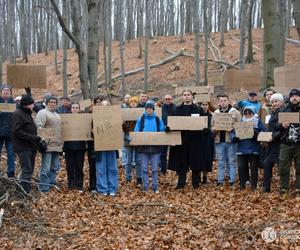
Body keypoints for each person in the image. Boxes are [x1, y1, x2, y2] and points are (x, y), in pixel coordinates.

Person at [168, 90, 207, 189]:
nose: (186, 97)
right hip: (181, 140)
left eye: (188, 95)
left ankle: (196, 184)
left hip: (195, 140)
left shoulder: (198, 109)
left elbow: (204, 123)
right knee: (182, 163)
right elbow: (171, 123)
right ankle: (181, 184)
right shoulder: (176, 109)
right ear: (182, 97)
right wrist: (168, 127)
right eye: (184, 95)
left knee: (195, 163)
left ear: (192, 97)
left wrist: (205, 128)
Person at [12, 95, 43, 193]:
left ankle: (25, 189)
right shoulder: (18, 114)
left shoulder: (27, 113)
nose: (34, 105)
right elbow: (17, 131)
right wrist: (33, 138)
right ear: (27, 105)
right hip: (23, 147)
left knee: (29, 170)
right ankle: (24, 191)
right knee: (27, 170)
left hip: (31, 146)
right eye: (32, 103)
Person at [134, 100, 165, 193]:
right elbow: (136, 132)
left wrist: (164, 130)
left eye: (151, 108)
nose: (149, 110)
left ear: (153, 110)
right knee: (144, 168)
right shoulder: (141, 119)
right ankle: (146, 186)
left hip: (155, 148)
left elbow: (162, 131)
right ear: (145, 109)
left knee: (155, 169)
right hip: (143, 148)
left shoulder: (157, 119)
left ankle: (155, 187)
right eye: (147, 108)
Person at [211, 94, 241, 187]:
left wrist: (232, 129)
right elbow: (211, 126)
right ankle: (220, 180)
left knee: (232, 161)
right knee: (220, 161)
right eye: (221, 101)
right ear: (219, 102)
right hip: (219, 140)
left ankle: (232, 180)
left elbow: (241, 126)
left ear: (228, 101)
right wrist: (214, 129)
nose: (223, 102)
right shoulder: (215, 113)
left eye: (225, 100)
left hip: (231, 140)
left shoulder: (235, 112)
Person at [275, 89, 300, 197]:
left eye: (297, 96)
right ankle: (284, 189)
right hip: (286, 144)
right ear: (289, 98)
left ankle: (298, 190)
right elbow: (274, 126)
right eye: (292, 96)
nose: (294, 97)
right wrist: (282, 126)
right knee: (283, 168)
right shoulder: (283, 109)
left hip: (299, 145)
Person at [35, 96, 62, 192]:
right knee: (46, 168)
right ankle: (44, 187)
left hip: (57, 145)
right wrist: (42, 141)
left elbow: (59, 130)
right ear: (46, 103)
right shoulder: (42, 113)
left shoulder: (57, 114)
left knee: (55, 166)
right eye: (50, 102)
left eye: (55, 102)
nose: (53, 103)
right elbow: (39, 127)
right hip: (47, 145)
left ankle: (51, 183)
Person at [235, 106, 265, 191]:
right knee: (241, 166)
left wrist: (256, 134)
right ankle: (242, 184)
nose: (247, 114)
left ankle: (254, 185)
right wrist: (235, 137)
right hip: (241, 148)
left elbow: (264, 131)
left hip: (253, 147)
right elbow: (234, 132)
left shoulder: (257, 121)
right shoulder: (240, 122)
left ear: (253, 113)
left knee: (253, 166)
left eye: (249, 113)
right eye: (246, 113)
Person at [261, 93, 285, 192]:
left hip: (281, 144)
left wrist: (273, 137)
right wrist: (264, 136)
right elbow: (270, 127)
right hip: (271, 145)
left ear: (282, 102)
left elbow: (283, 130)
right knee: (266, 164)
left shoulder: (284, 112)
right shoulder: (273, 113)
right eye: (272, 102)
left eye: (276, 101)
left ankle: (284, 187)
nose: (274, 103)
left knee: (282, 167)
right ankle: (266, 187)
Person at [94, 100, 119, 196]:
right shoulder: (95, 117)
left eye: (107, 105)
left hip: (111, 146)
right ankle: (103, 189)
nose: (105, 107)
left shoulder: (115, 117)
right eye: (103, 106)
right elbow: (92, 131)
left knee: (112, 168)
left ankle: (112, 188)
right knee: (101, 168)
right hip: (100, 147)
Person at [63, 103, 86, 191]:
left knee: (79, 167)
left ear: (79, 109)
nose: (75, 109)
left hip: (80, 147)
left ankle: (79, 184)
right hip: (69, 147)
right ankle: (71, 184)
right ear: (71, 109)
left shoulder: (84, 119)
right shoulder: (66, 119)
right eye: (73, 108)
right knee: (69, 167)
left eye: (77, 108)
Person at [123, 96, 143, 186]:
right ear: (129, 104)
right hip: (128, 138)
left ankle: (139, 177)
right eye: (132, 102)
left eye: (135, 102)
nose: (133, 103)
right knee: (128, 160)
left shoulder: (141, 113)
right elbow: (123, 128)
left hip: (138, 138)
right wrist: (123, 123)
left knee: (138, 160)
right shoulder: (126, 113)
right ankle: (128, 177)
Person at [0, 84, 16, 177]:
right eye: (4, 90)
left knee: (11, 153)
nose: (6, 92)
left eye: (8, 90)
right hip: (0, 132)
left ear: (10, 93)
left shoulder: (14, 104)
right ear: (1, 93)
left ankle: (11, 172)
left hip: (11, 133)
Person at [199, 101, 215, 183]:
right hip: (199, 139)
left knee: (207, 158)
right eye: (203, 105)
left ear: (208, 106)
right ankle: (197, 176)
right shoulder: (197, 115)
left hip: (208, 139)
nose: (204, 106)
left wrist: (212, 131)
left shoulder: (212, 115)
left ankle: (205, 177)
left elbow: (214, 126)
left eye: (206, 105)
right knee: (198, 158)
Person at [160, 94, 176, 175]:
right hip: (164, 132)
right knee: (163, 152)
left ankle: (175, 169)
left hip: (174, 132)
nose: (167, 100)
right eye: (166, 99)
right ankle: (163, 169)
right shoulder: (161, 108)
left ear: (171, 99)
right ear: (164, 100)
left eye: (169, 99)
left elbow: (178, 119)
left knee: (175, 152)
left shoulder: (175, 107)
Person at [120, 94, 131, 167]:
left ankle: (132, 162)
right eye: (126, 98)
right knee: (124, 147)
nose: (128, 100)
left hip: (130, 129)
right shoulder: (121, 107)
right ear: (124, 99)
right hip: (123, 129)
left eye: (129, 98)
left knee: (131, 145)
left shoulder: (133, 107)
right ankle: (124, 162)